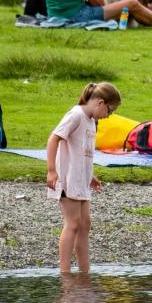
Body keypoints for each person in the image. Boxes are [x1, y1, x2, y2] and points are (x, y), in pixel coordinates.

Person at [46, 81, 121, 273]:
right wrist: (51, 170)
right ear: (100, 103)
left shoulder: (90, 120)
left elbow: (82, 151)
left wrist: (90, 174)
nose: (108, 116)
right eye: (109, 111)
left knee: (85, 224)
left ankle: (84, 271)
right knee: (73, 224)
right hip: (68, 179)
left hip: (81, 180)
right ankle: (65, 272)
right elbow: (53, 138)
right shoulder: (76, 115)